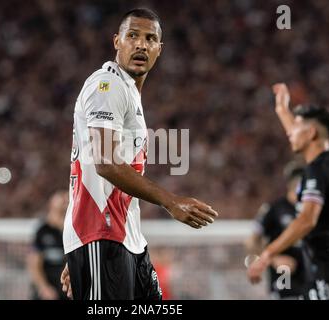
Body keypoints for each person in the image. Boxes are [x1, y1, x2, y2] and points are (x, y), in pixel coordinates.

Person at [60, 8, 218, 300]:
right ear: (117, 41)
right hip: (100, 231)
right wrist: (170, 202)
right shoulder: (106, 85)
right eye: (132, 36)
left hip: (124, 238)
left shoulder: (130, 92)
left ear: (160, 49)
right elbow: (105, 164)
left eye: (150, 38)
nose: (141, 45)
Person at [248, 83, 329, 300]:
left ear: (311, 132)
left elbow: (306, 220)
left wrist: (267, 255)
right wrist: (282, 110)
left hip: (328, 267)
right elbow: (301, 135)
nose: (290, 134)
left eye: (295, 128)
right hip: (328, 263)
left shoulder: (318, 170)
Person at [245, 162, 308, 299]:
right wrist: (273, 259)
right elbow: (251, 241)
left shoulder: (311, 211)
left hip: (309, 275)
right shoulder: (274, 208)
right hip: (284, 278)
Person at [27, 191, 69, 300]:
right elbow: (34, 263)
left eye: (66, 197)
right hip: (48, 292)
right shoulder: (42, 231)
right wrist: (43, 288)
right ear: (51, 203)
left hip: (67, 290)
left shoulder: (72, 231)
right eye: (61, 196)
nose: (65, 199)